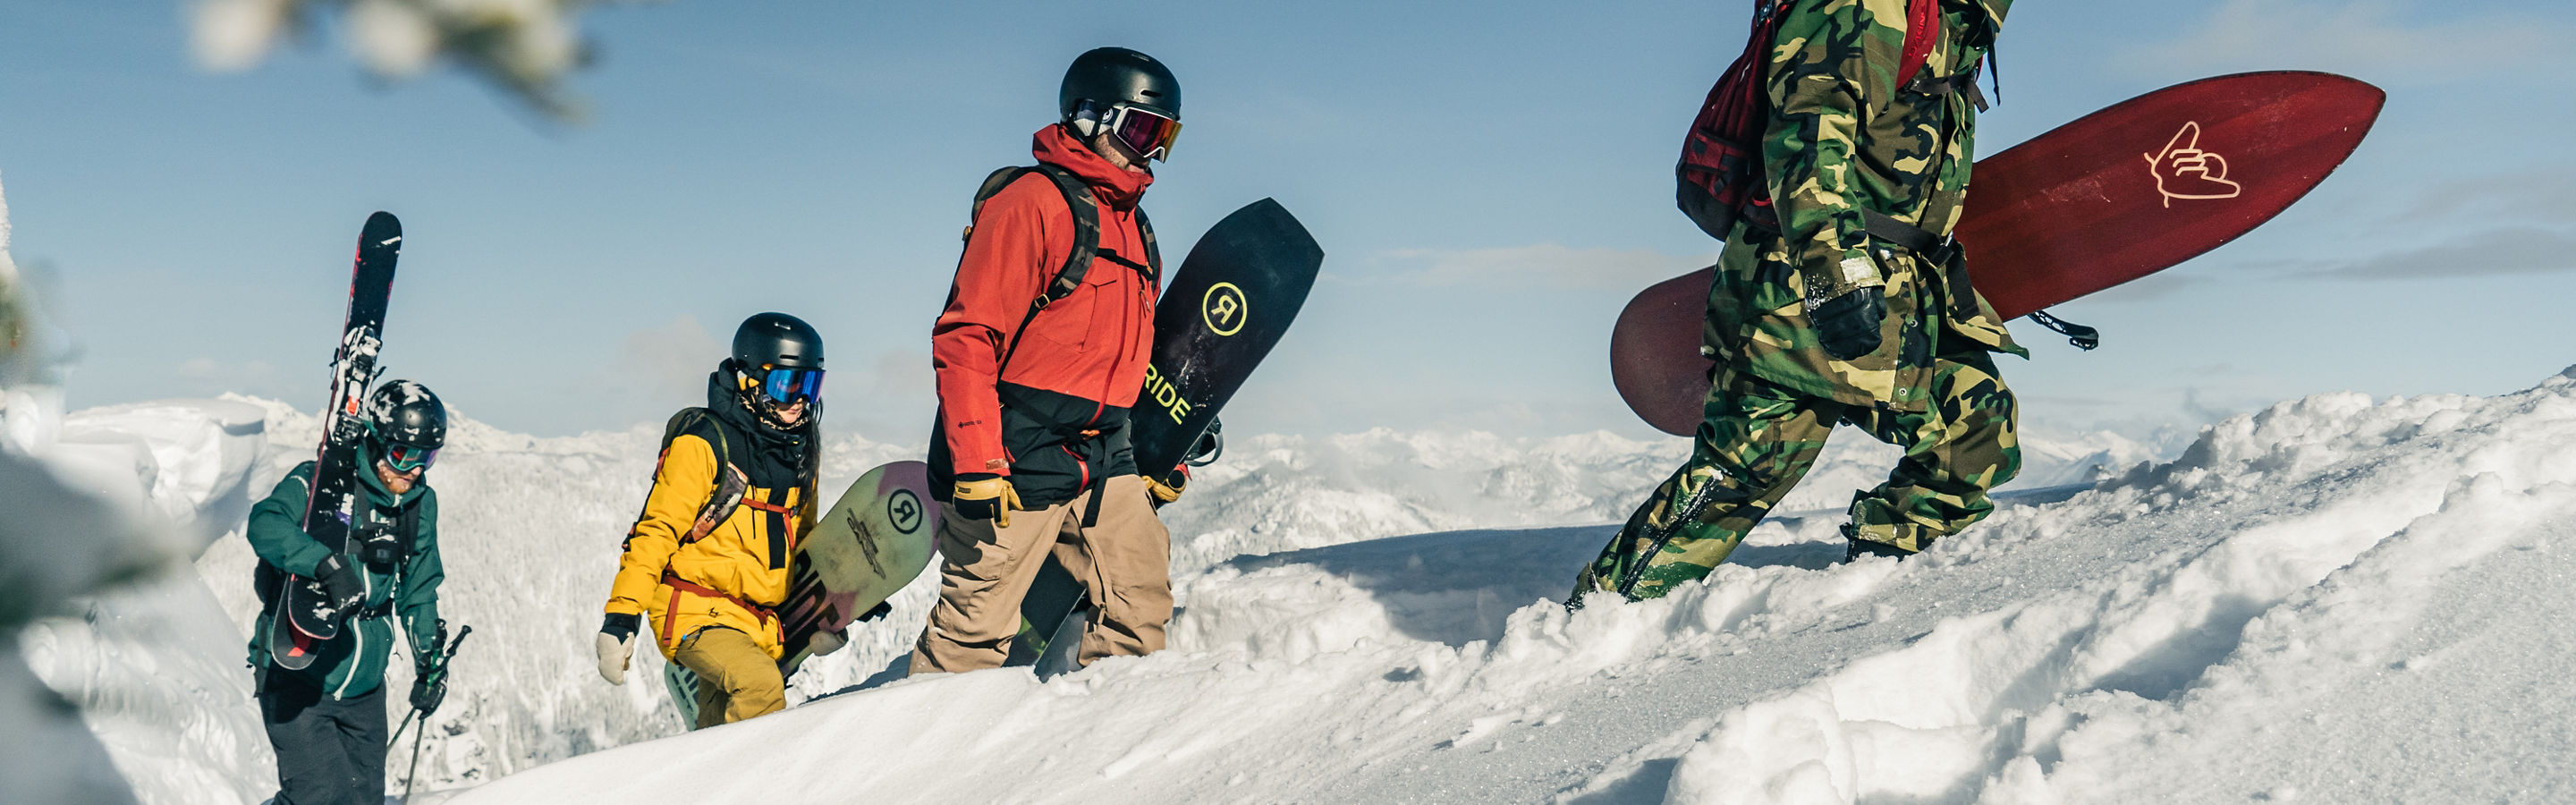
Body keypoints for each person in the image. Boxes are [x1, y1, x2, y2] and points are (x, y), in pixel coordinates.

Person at [1577, 0, 2024, 603]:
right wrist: (1833, 276)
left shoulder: (1954, 24)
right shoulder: (1867, 6)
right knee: (1743, 470)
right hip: (1802, 288)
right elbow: (1807, 139)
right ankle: (1598, 618)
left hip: (1897, 288)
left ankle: (1885, 583)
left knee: (1975, 425)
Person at [911, 46, 1187, 675]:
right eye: (1142, 129)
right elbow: (966, 337)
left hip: (1103, 450)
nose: (1150, 152)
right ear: (1090, 115)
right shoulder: (1032, 204)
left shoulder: (1138, 232)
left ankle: (1099, 747)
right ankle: (916, 767)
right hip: (1017, 451)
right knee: (972, 637)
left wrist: (1159, 453)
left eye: (1163, 137)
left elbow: (1132, 357)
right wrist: (978, 463)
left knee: (1139, 601)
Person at [593, 312, 824, 729]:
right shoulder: (704, 443)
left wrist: (828, 608)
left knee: (717, 735)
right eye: (788, 384)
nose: (800, 399)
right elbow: (655, 532)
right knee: (759, 687)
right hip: (693, 611)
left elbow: (799, 541)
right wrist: (621, 617)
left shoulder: (799, 453)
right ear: (751, 381)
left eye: (811, 385)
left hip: (754, 623)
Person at [246, 379, 449, 805]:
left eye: (426, 456)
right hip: (299, 673)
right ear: (376, 442)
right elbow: (265, 523)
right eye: (403, 453)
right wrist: (323, 563)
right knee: (323, 797)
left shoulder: (419, 504)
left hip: (365, 688)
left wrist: (428, 660)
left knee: (363, 800)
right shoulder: (321, 481)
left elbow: (419, 587)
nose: (414, 468)